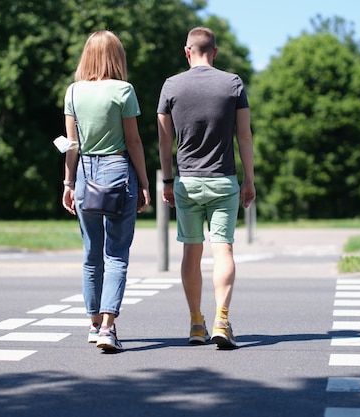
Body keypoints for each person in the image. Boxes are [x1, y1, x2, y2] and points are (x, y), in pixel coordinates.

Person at [157, 27, 256, 349]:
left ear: (188, 52)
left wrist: (168, 180)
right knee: (223, 249)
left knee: (191, 251)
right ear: (214, 52)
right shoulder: (233, 83)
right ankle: (222, 320)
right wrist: (249, 180)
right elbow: (244, 136)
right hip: (223, 180)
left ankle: (196, 323)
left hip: (186, 181)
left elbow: (164, 139)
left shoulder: (171, 85)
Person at [62, 30, 151, 352]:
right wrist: (143, 183)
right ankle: (108, 328)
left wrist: (68, 184)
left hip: (85, 174)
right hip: (117, 174)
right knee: (116, 255)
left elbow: (71, 145)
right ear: (117, 57)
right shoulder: (124, 91)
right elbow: (133, 142)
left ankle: (92, 323)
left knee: (91, 254)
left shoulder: (73, 92)